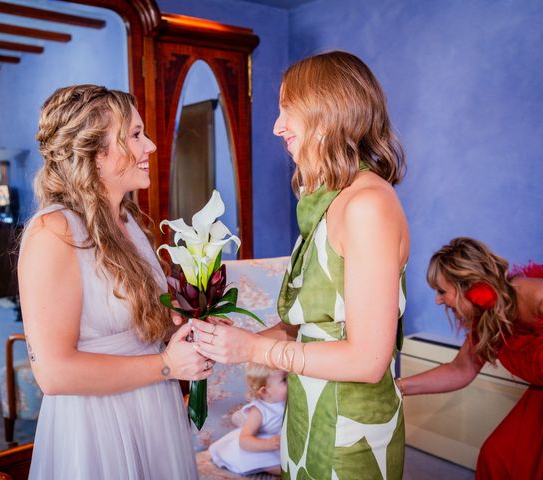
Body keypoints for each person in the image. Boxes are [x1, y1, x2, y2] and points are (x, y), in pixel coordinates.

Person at [192, 51, 410, 479]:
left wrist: (254, 349)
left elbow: (368, 359)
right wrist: (234, 341)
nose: (277, 127)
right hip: (306, 413)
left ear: (327, 111)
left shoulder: (367, 204)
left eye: (285, 110)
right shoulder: (328, 202)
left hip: (351, 430)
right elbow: (305, 327)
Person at [18, 85, 213, 479]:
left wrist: (187, 317)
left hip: (153, 410)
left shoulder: (127, 222)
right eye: (136, 135)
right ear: (95, 151)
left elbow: (134, 317)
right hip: (98, 425)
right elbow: (54, 373)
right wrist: (165, 365)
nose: (152, 147)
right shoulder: (53, 232)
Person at [395, 237, 543, 479]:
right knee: (496, 457)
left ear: (469, 286)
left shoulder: (535, 296)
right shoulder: (490, 316)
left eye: (442, 291)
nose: (437, 300)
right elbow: (460, 370)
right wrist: (398, 387)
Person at [209, 363, 287, 476]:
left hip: (276, 442)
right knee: (280, 467)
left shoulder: (285, 399)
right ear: (265, 391)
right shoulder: (258, 411)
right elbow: (244, 441)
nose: (291, 382)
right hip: (255, 446)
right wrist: (267, 444)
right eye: (284, 380)